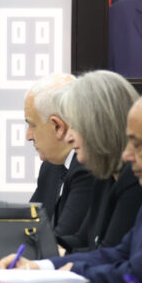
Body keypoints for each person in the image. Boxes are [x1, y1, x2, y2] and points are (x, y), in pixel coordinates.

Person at [0, 87, 142, 283]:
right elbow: (121, 253)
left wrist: (72, 274)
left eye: (137, 145)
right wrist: (40, 267)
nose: (127, 155)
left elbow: (137, 275)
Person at [48, 71, 142, 253]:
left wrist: (54, 257)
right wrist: (37, 245)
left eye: (75, 126)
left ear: (101, 125)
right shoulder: (105, 174)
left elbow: (111, 254)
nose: (68, 137)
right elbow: (82, 239)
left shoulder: (138, 177)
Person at [24, 74, 93, 239]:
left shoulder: (88, 168)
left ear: (57, 126)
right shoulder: (51, 167)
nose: (28, 136)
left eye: (32, 125)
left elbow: (62, 240)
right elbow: (27, 227)